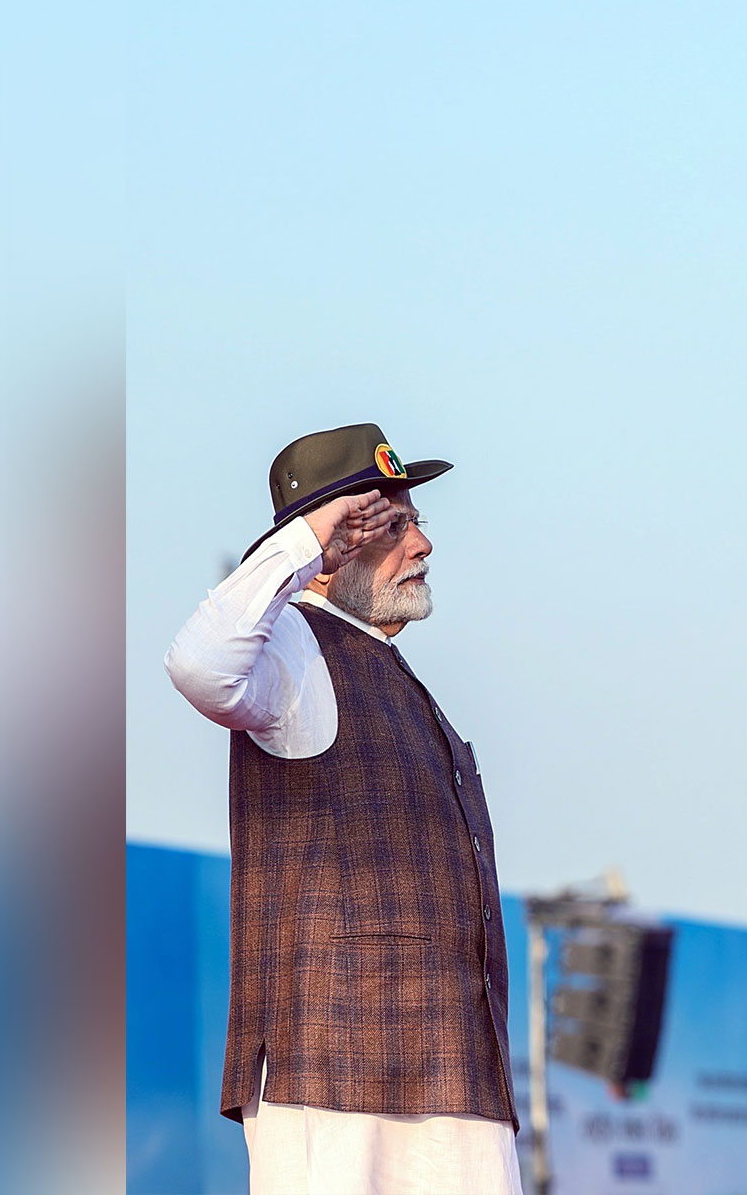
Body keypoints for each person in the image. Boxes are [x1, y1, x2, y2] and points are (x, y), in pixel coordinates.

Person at [166, 422, 522, 1194]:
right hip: (330, 1068)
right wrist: (300, 546)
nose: (422, 544)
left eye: (418, 522)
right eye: (391, 524)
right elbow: (197, 666)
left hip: (454, 1073)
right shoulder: (293, 645)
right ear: (329, 553)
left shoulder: (385, 669)